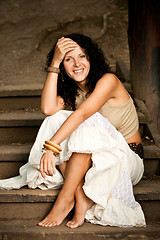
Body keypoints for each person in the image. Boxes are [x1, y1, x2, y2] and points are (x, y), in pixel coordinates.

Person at [0, 33, 146, 228]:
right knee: (57, 118)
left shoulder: (109, 80)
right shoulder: (74, 91)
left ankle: (65, 198)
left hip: (125, 160)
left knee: (86, 118)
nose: (77, 64)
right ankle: (78, 193)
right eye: (68, 59)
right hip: (93, 161)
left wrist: (50, 148)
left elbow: (84, 114)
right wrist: (54, 63)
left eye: (82, 56)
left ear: (91, 59)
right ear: (63, 66)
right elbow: (48, 109)